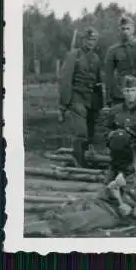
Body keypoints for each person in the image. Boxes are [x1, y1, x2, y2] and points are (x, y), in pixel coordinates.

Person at [24, 140, 136, 237]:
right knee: (61, 210)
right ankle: (28, 226)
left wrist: (133, 211)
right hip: (103, 203)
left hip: (117, 215)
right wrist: (111, 188)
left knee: (71, 221)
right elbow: (110, 192)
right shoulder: (135, 176)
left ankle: (26, 232)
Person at [58, 27, 104, 166]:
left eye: (94, 40)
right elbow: (65, 80)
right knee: (81, 133)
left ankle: (85, 160)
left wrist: (100, 103)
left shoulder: (96, 58)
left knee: (90, 133)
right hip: (77, 98)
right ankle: (79, 164)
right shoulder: (74, 55)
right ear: (83, 39)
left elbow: (98, 82)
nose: (91, 42)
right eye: (88, 39)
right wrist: (64, 103)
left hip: (92, 101)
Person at [104, 75, 136, 182]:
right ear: (122, 92)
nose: (130, 94)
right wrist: (111, 134)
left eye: (133, 90)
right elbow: (106, 129)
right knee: (120, 136)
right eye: (127, 90)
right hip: (119, 146)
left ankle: (118, 171)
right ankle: (119, 171)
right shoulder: (115, 110)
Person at [105, 14, 136, 107]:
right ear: (119, 30)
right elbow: (108, 76)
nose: (125, 32)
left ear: (133, 29)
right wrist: (108, 98)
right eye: (123, 29)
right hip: (121, 93)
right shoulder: (113, 50)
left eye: (128, 28)